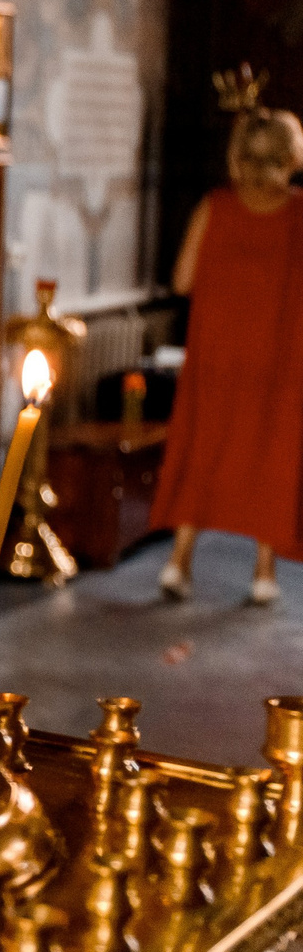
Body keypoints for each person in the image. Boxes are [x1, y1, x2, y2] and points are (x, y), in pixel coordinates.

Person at [153, 101, 303, 604]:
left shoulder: (214, 206)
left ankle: (178, 563)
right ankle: (263, 574)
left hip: (216, 358)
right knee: (272, 456)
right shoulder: (299, 214)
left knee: (204, 450)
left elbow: (182, 279)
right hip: (280, 362)